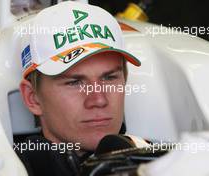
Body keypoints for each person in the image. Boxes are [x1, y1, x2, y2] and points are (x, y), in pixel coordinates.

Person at [16, 1, 141, 176]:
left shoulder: (161, 161)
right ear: (32, 98)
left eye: (109, 78)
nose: (98, 100)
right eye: (75, 82)